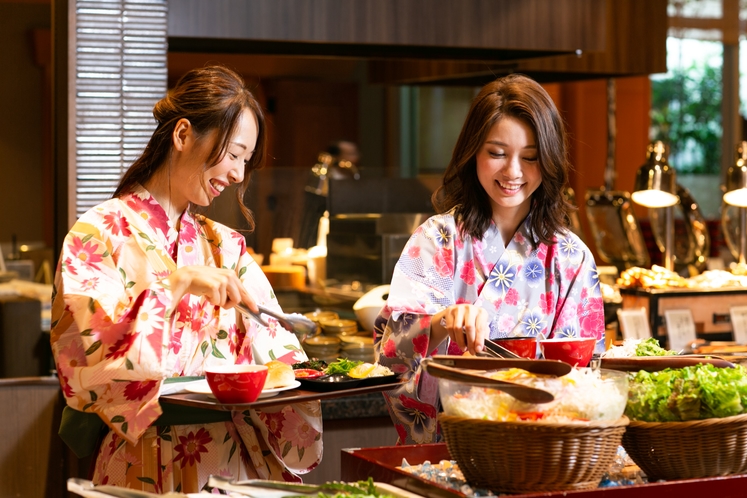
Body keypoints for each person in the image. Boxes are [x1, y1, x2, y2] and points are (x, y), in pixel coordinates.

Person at [51, 65, 322, 492]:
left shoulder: (226, 246)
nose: (237, 174)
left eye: (245, 161)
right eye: (233, 154)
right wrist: (173, 285)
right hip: (141, 457)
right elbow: (88, 369)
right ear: (181, 136)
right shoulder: (97, 235)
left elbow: (280, 348)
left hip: (234, 461)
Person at [373, 74, 605, 445]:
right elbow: (390, 352)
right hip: (450, 447)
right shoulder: (437, 240)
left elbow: (586, 377)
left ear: (548, 162)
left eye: (530, 157)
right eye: (497, 153)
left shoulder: (571, 258)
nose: (513, 172)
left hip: (539, 449)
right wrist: (440, 322)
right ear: (473, 152)